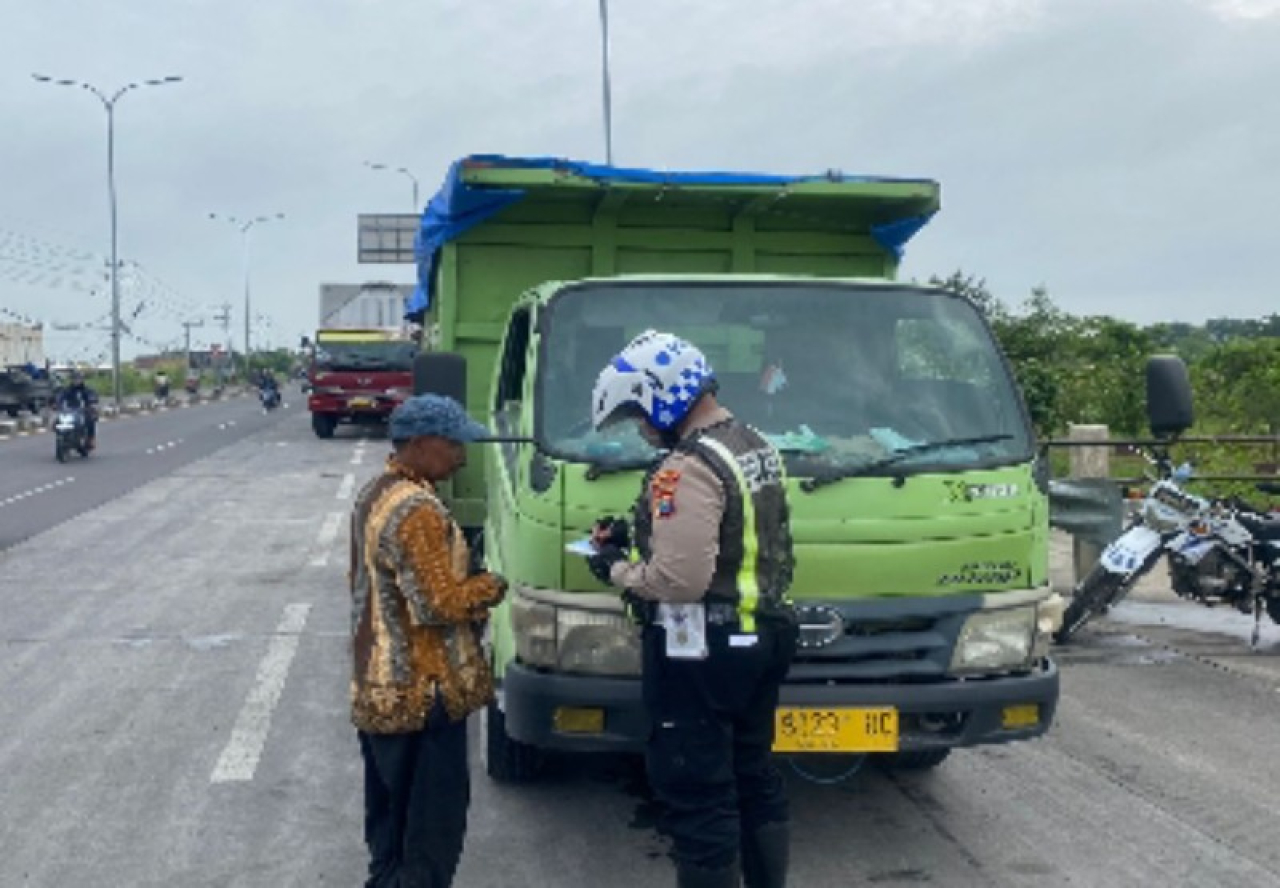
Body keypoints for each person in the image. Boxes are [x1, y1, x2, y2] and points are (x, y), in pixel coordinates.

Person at [586, 330, 798, 888]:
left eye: (638, 413)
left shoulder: (685, 468)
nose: (641, 428)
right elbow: (737, 538)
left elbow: (679, 582)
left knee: (698, 795)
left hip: (703, 651)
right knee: (754, 778)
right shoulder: (753, 444)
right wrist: (637, 538)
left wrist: (614, 567)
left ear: (661, 398)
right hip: (763, 635)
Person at [348, 394, 506, 888]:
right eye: (453, 444)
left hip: (379, 686)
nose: (461, 455)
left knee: (390, 834)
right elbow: (438, 604)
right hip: (423, 695)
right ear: (419, 444)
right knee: (429, 838)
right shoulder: (417, 510)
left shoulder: (376, 492)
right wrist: (492, 585)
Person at [57, 370, 99, 449]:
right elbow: (60, 397)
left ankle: (90, 439)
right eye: (74, 378)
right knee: (58, 420)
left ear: (82, 379)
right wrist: (57, 403)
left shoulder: (86, 389)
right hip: (70, 410)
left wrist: (92, 401)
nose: (76, 380)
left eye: (78, 378)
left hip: (84, 410)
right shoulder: (67, 389)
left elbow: (92, 396)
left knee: (90, 419)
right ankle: (61, 435)